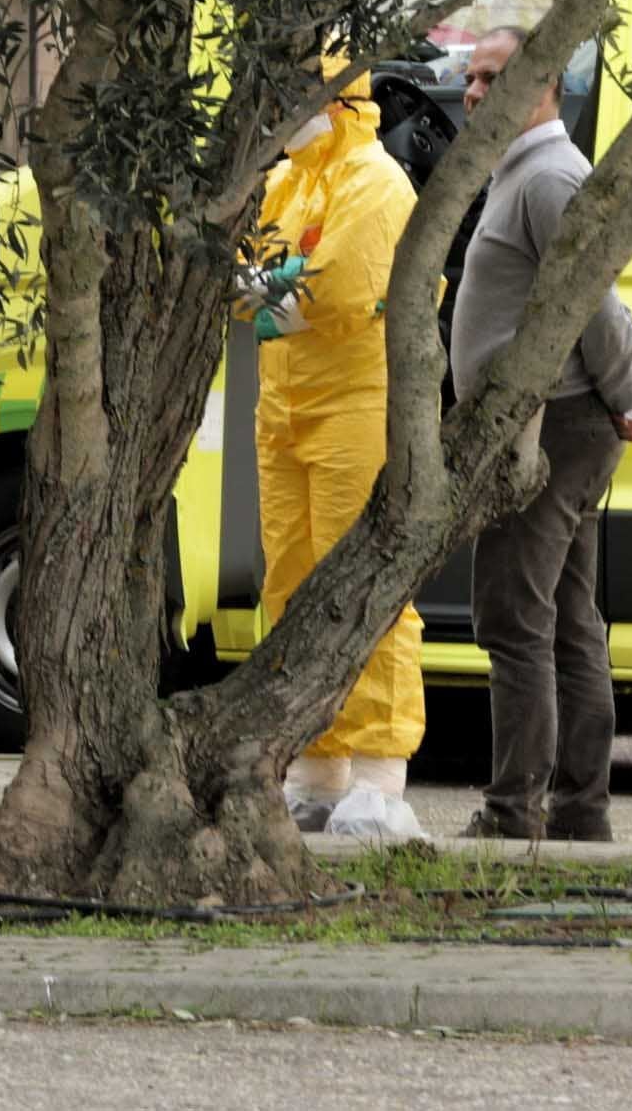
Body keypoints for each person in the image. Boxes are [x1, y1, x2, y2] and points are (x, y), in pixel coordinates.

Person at [449, 25, 632, 842]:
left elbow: (597, 309)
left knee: (516, 619)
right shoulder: (529, 172)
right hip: (562, 423)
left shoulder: (548, 180)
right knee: (570, 622)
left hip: (552, 428)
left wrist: (624, 397)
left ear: (544, 86)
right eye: (468, 77)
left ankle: (514, 816)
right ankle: (581, 815)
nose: (471, 92)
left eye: (489, 78)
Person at [253, 56, 428, 840]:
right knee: (291, 584)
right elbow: (260, 282)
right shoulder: (287, 183)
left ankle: (383, 779)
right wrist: (277, 287)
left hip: (356, 404)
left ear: (338, 97)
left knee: (367, 588)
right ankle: (317, 768)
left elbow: (338, 293)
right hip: (284, 406)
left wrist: (273, 290)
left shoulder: (376, 182)